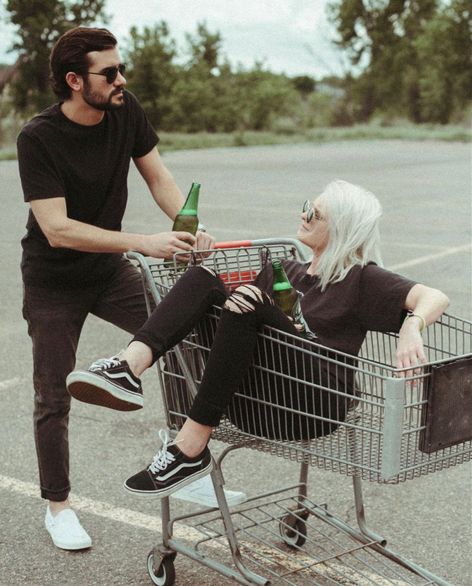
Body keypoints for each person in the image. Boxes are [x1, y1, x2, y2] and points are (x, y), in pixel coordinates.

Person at [66, 179, 450, 499]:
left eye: (314, 213)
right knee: (204, 279)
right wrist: (201, 268)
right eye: (306, 206)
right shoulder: (284, 270)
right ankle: (128, 365)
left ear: (341, 227)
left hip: (314, 405)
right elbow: (234, 328)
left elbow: (434, 297)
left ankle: (190, 447)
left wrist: (410, 326)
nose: (303, 214)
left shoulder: (360, 278)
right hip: (255, 404)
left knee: (251, 300)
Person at [17, 26, 214, 551]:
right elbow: (57, 229)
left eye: (120, 68)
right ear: (75, 81)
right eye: (110, 72)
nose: (121, 79)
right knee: (53, 395)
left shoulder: (125, 110)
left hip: (107, 272)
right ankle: (58, 508)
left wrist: (188, 224)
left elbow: (157, 176)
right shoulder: (37, 138)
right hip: (53, 281)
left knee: (184, 337)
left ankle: (179, 457)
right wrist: (143, 241)